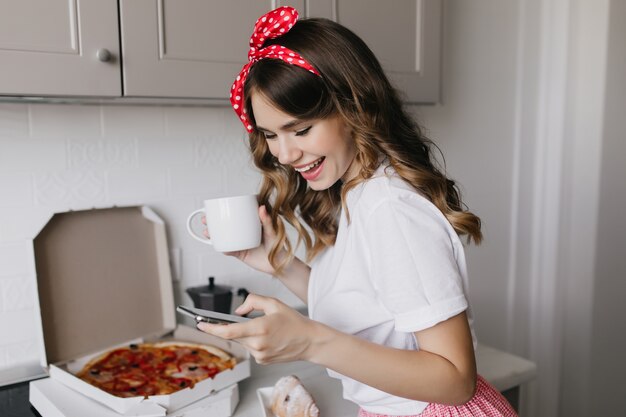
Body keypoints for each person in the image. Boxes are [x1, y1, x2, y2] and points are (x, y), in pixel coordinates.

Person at [197, 6, 517, 417]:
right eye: (270, 135)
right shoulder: (358, 194)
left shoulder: (390, 209)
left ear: (352, 108)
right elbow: (366, 310)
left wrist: (310, 341)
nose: (285, 153)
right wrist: (278, 262)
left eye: (301, 129)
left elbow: (455, 380)